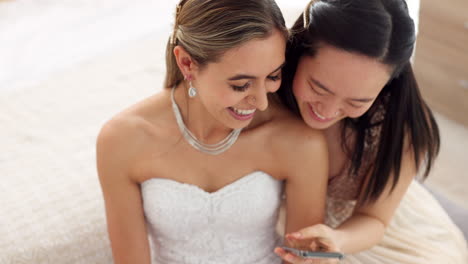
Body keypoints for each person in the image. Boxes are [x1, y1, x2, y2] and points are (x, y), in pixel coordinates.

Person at [96, 0, 329, 263]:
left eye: (273, 76)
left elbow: (302, 257)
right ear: (187, 64)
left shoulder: (299, 141)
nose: (262, 102)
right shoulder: (122, 140)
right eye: (241, 85)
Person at [272, 0, 468, 263]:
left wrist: (337, 239)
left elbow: (374, 218)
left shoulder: (400, 126)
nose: (328, 110)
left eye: (357, 101)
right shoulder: (265, 80)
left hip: (363, 234)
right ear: (299, 50)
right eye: (319, 88)